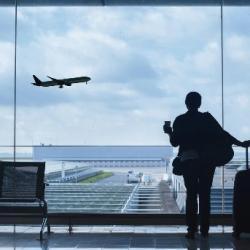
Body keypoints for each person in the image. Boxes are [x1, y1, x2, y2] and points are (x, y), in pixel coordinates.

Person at [163, 91, 250, 239]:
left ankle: (191, 229)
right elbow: (224, 134)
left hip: (188, 161)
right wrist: (240, 144)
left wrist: (169, 132)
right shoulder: (206, 119)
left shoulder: (180, 120)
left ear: (186, 103)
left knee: (191, 195)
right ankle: (204, 229)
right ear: (199, 103)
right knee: (205, 195)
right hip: (206, 162)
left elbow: (174, 142)